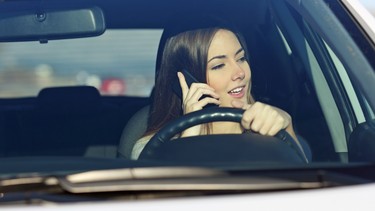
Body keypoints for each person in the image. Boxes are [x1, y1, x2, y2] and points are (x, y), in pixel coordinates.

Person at [131, 24, 307, 160]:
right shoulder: (152, 148)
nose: (240, 72)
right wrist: (190, 132)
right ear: (186, 80)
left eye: (241, 58)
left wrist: (287, 128)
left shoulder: (269, 130)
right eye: (219, 65)